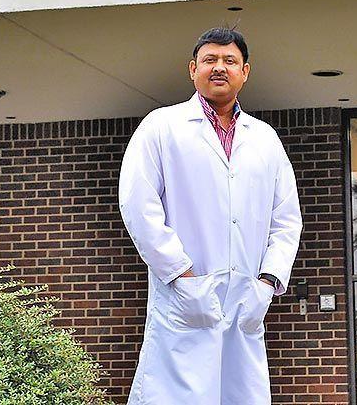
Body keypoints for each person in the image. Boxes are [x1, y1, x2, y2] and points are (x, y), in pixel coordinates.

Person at [119, 27, 303, 404]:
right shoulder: (161, 126)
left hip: (245, 303)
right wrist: (182, 274)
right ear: (192, 69)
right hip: (184, 297)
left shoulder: (265, 139)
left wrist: (267, 282)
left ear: (245, 72)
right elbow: (138, 205)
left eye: (229, 61)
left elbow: (286, 219)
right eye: (210, 60)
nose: (219, 68)